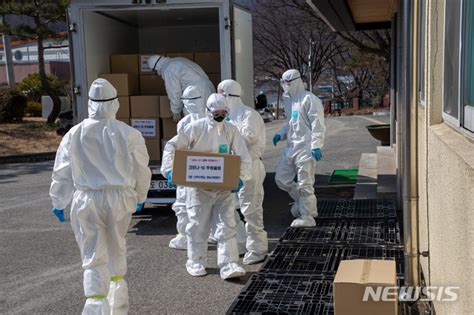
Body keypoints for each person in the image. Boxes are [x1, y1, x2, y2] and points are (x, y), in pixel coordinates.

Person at [49, 78, 152, 314]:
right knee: (117, 245)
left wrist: (58, 200)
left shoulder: (74, 134)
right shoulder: (129, 134)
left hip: (86, 199)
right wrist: (140, 195)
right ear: (115, 103)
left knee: (93, 252)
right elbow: (141, 169)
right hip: (120, 198)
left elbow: (62, 171)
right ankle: (118, 305)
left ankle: (96, 305)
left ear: (90, 104)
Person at [162, 93, 252, 280]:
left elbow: (243, 155)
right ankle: (195, 261)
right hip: (198, 188)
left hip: (223, 188)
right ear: (207, 111)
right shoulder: (195, 128)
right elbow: (172, 146)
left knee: (226, 225)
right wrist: (170, 170)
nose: (220, 115)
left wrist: (241, 177)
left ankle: (229, 264)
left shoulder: (231, 130)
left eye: (223, 112)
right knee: (197, 225)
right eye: (216, 112)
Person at [217, 79, 268, 265]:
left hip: (250, 166)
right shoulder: (226, 115)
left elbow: (248, 137)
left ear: (230, 94)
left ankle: (257, 249)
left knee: (250, 208)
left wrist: (228, 130)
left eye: (222, 94)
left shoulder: (249, 115)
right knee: (228, 207)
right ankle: (241, 242)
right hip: (231, 167)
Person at [272, 69, 326, 228]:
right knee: (281, 179)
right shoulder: (289, 100)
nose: (285, 86)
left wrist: (316, 145)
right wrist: (280, 134)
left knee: (305, 183)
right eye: (283, 83)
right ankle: (302, 202)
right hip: (291, 147)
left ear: (296, 81)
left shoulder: (309, 99)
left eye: (287, 83)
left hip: (305, 148)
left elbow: (318, 125)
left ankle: (308, 216)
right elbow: (290, 122)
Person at [161, 85, 206, 250]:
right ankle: (187, 237)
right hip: (196, 170)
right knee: (184, 205)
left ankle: (192, 238)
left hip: (195, 170)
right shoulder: (186, 122)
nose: (191, 104)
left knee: (193, 206)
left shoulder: (206, 121)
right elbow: (176, 147)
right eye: (189, 101)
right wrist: (170, 170)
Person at [147, 55, 215, 123]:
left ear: (156, 67)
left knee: (195, 123)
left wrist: (176, 111)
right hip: (208, 87)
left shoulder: (168, 69)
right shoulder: (178, 60)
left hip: (194, 93)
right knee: (210, 119)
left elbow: (174, 92)